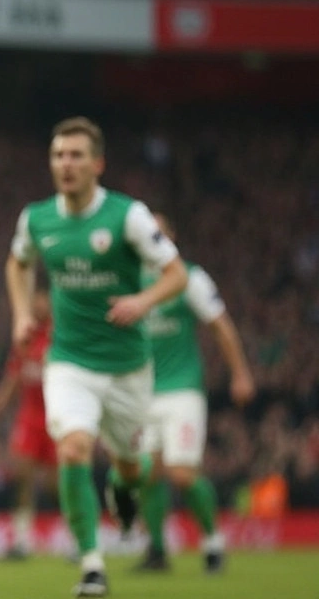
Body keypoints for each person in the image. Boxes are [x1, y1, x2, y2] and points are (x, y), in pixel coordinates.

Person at [6, 116, 188, 598]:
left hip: (128, 366)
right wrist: (23, 313)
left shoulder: (129, 216)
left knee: (131, 467)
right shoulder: (37, 218)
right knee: (74, 447)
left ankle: (123, 492)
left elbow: (176, 274)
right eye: (59, 155)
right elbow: (17, 262)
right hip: (69, 361)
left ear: (97, 164)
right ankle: (91, 564)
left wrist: (142, 302)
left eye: (76, 155)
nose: (66, 164)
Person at [128, 212, 256, 573]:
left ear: (171, 238)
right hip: (142, 393)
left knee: (182, 473)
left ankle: (213, 543)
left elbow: (220, 325)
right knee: (148, 472)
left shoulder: (189, 278)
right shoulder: (129, 279)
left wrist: (240, 373)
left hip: (182, 390)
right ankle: (157, 551)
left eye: (159, 232)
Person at [0, 288, 58, 560]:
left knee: (55, 485)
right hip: (29, 417)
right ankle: (21, 539)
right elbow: (15, 372)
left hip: (55, 418)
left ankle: (76, 537)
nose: (38, 306)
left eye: (42, 300)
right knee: (22, 475)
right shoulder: (25, 335)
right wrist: (2, 400)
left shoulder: (59, 334)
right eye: (34, 301)